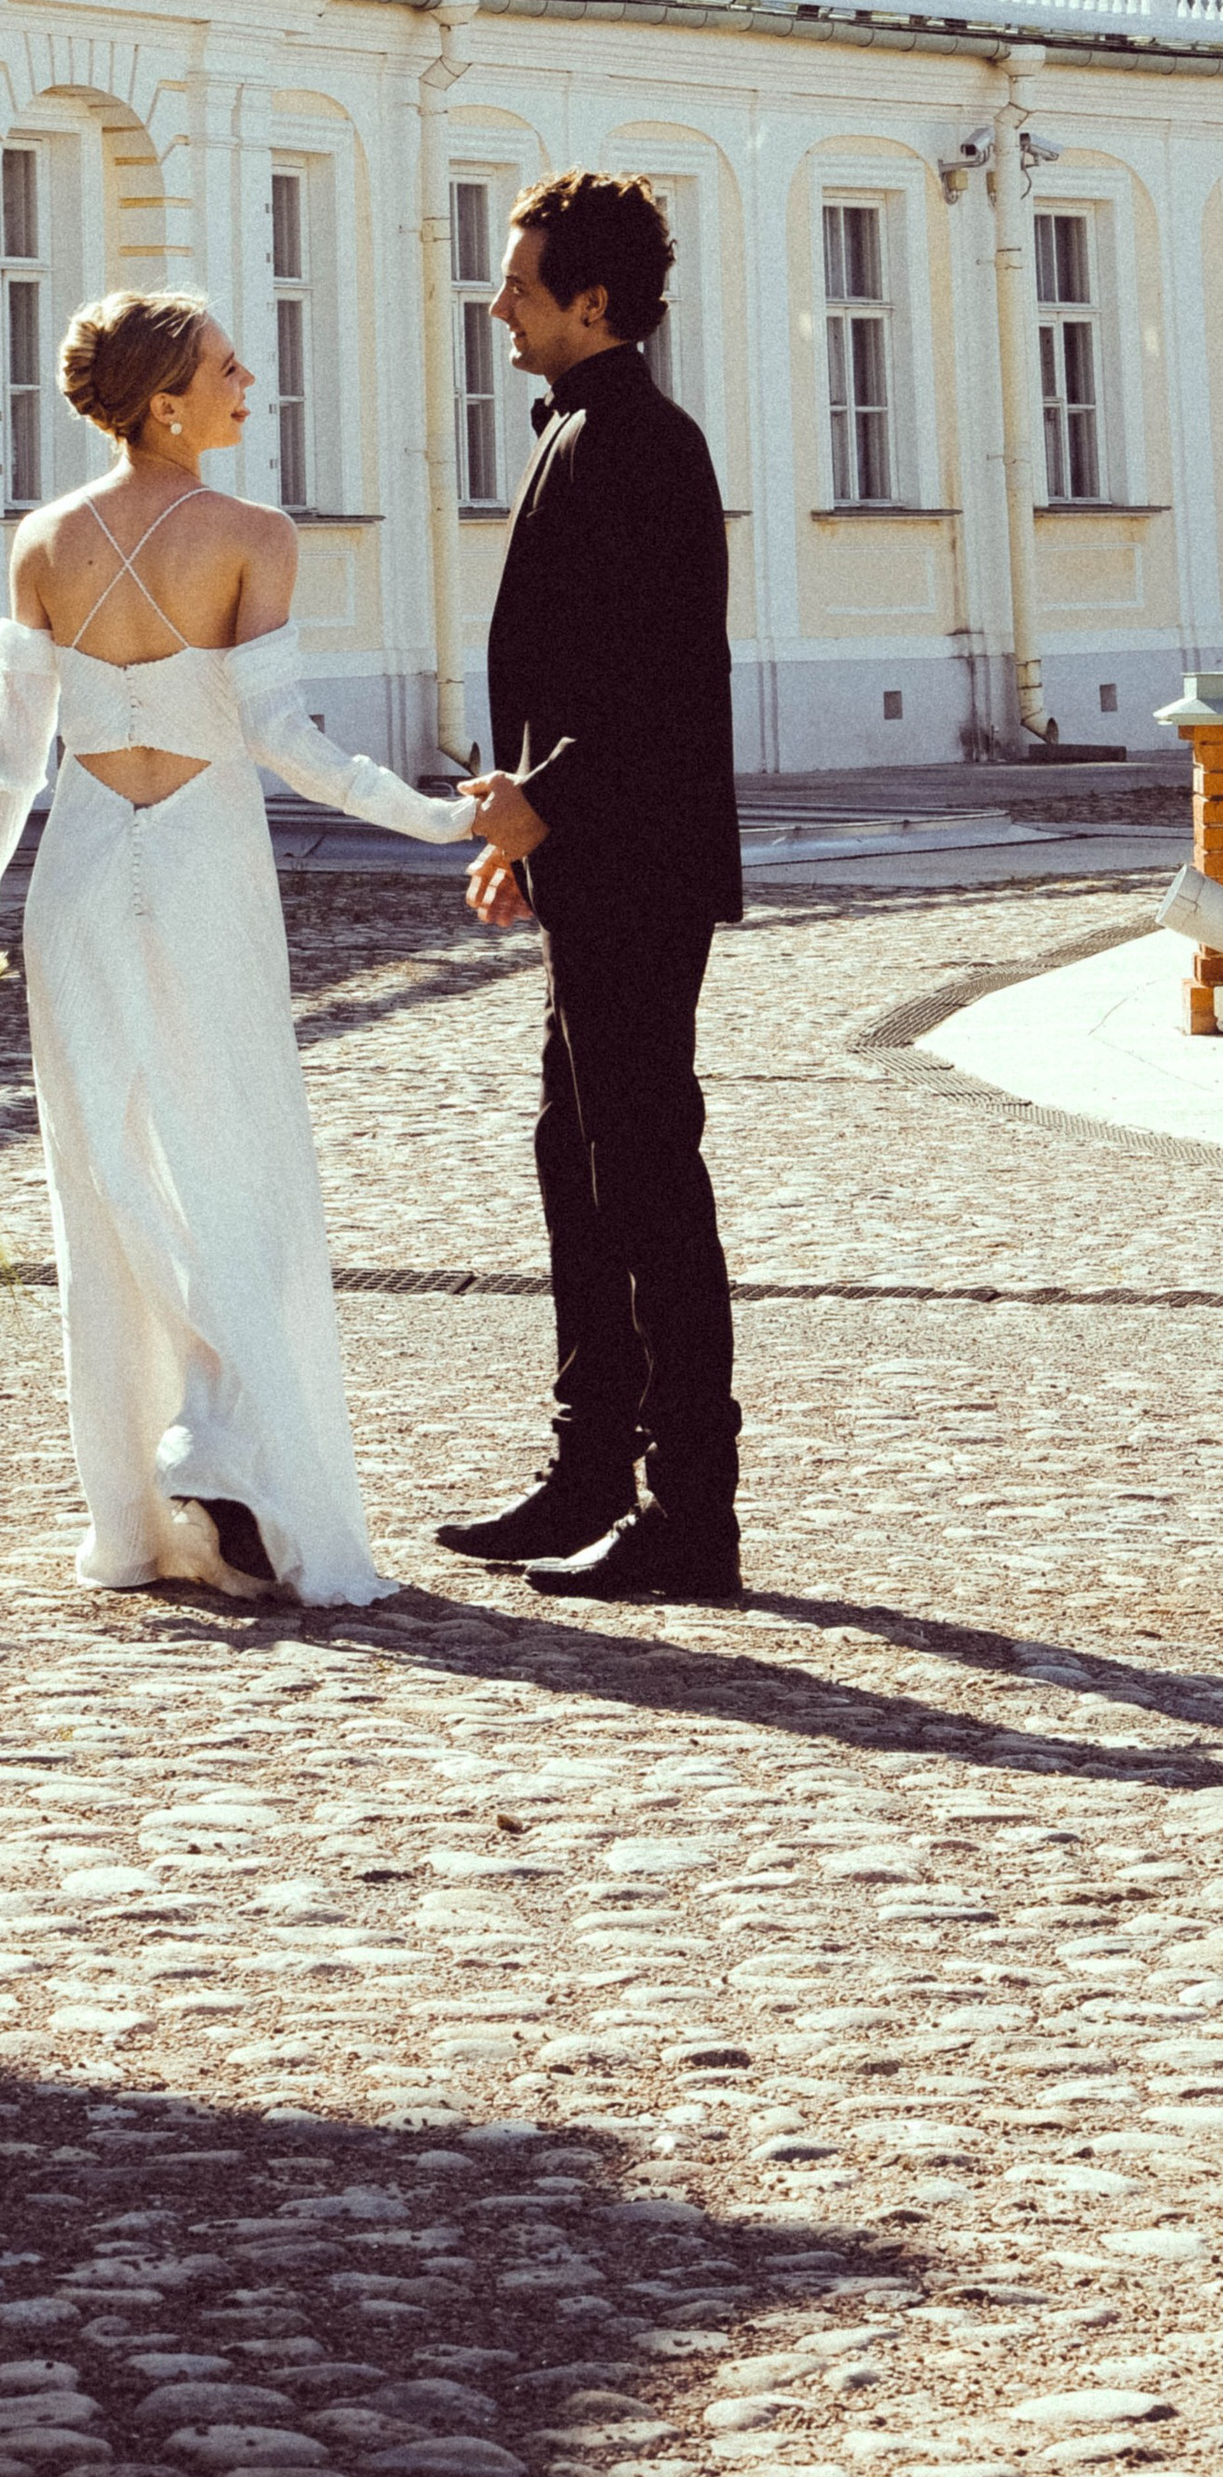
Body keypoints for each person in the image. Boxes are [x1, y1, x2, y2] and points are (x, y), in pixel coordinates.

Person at [0, 285, 475, 1605]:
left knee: (110, 1174)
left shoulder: (43, 540)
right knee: (239, 1163)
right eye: (230, 367)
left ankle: (189, 1459)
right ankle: (228, 1452)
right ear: (167, 396)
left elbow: (12, 770)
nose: (252, 385)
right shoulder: (250, 535)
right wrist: (439, 817)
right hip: (206, 863)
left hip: (82, 871)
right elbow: (283, 738)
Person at [442, 170, 745, 1605]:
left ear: (594, 302)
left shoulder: (642, 444)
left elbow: (650, 681)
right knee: (578, 1160)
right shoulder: (591, 432)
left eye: (519, 282)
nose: (495, 301)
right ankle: (588, 1471)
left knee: (646, 1178)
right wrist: (528, 830)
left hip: (639, 861)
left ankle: (693, 1509)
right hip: (597, 855)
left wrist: (540, 801)